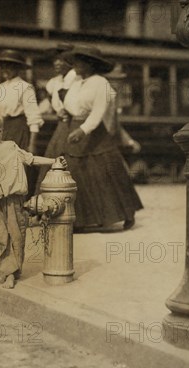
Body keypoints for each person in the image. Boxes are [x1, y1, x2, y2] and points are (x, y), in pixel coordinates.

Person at [0, 110, 66, 288]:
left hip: (15, 201)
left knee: (17, 235)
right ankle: (6, 271)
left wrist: (53, 161)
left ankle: (13, 270)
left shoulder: (11, 147)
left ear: (3, 131)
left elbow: (31, 159)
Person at [61, 46, 143, 232]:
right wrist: (66, 113)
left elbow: (98, 112)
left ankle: (127, 212)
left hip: (95, 133)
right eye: (75, 61)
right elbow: (69, 104)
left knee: (107, 173)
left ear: (91, 64)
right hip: (74, 128)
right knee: (76, 174)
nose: (75, 65)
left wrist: (83, 130)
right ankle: (80, 219)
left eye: (80, 61)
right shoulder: (76, 82)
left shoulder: (101, 84)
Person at [36, 43, 77, 192]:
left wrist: (67, 110)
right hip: (62, 125)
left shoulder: (76, 78)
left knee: (67, 160)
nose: (57, 63)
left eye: (61, 60)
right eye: (55, 60)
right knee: (53, 157)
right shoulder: (55, 81)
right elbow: (48, 103)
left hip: (74, 124)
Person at [0, 49, 44, 154]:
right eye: (3, 66)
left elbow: (33, 116)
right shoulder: (0, 88)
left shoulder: (25, 87)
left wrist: (32, 144)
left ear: (17, 68)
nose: (5, 70)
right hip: (2, 130)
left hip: (19, 131)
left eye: (10, 66)